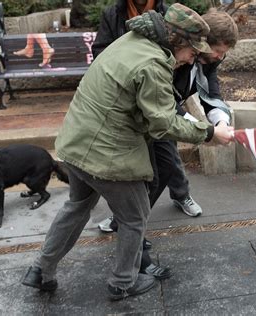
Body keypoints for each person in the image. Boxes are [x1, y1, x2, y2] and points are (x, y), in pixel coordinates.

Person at [21, 3, 234, 301]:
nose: (191, 59)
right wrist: (210, 132)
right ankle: (123, 282)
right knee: (135, 217)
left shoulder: (131, 40)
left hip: (76, 142)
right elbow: (162, 124)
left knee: (77, 206)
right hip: (107, 152)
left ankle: (41, 269)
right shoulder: (154, 63)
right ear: (178, 42)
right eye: (191, 52)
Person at [93, 0, 203, 219]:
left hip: (158, 94)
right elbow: (100, 52)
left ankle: (179, 195)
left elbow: (181, 62)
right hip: (128, 100)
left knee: (167, 160)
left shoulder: (169, 13)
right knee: (140, 169)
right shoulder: (114, 13)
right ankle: (128, 218)